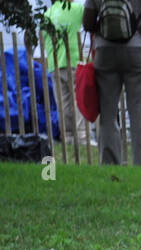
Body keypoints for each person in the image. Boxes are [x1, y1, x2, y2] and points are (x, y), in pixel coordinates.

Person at [82, 0, 141, 165]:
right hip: (137, 50)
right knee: (137, 113)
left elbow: (87, 23)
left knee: (108, 115)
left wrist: (102, 29)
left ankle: (109, 163)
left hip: (105, 52)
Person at [44, 0, 85, 147]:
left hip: (55, 63)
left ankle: (67, 136)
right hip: (73, 60)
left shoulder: (46, 15)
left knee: (62, 101)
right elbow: (90, 23)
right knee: (78, 99)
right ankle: (81, 136)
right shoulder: (76, 8)